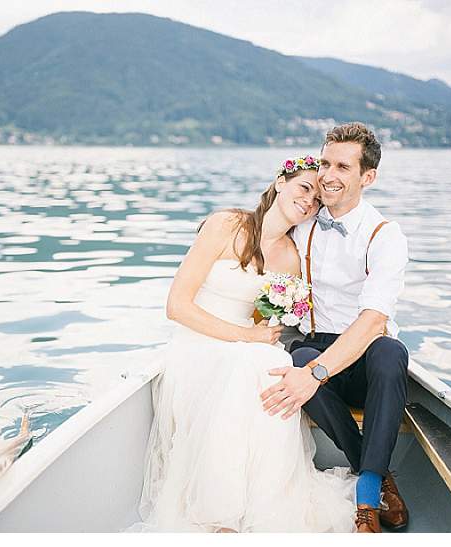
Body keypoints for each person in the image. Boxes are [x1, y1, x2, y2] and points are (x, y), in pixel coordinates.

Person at [126, 156, 357, 532]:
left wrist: (264, 330)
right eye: (304, 188)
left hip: (243, 347)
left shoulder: (290, 258)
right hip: (197, 340)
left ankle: (262, 504)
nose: (309, 201)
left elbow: (265, 322)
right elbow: (177, 306)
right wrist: (247, 336)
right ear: (280, 182)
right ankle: (218, 512)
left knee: (272, 366)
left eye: (317, 200)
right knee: (247, 363)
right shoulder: (226, 225)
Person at [260, 123, 410, 533]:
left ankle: (365, 501)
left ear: (368, 177)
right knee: (299, 356)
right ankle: (375, 477)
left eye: (343, 166)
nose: (327, 175)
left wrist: (315, 374)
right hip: (317, 347)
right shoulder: (303, 223)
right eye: (325, 163)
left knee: (391, 352)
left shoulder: (385, 235)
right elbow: (262, 235)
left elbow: (374, 320)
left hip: (366, 358)